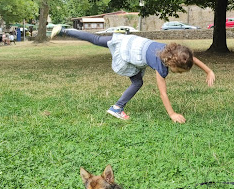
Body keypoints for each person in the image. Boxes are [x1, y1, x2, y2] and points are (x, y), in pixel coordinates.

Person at [50, 26, 215, 123]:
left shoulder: (171, 50)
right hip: (128, 52)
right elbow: (163, 93)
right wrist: (172, 114)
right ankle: (117, 108)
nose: (180, 74)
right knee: (137, 83)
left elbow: (191, 58)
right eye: (179, 72)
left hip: (128, 41)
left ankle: (63, 30)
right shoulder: (160, 65)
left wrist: (208, 70)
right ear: (172, 64)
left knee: (95, 39)